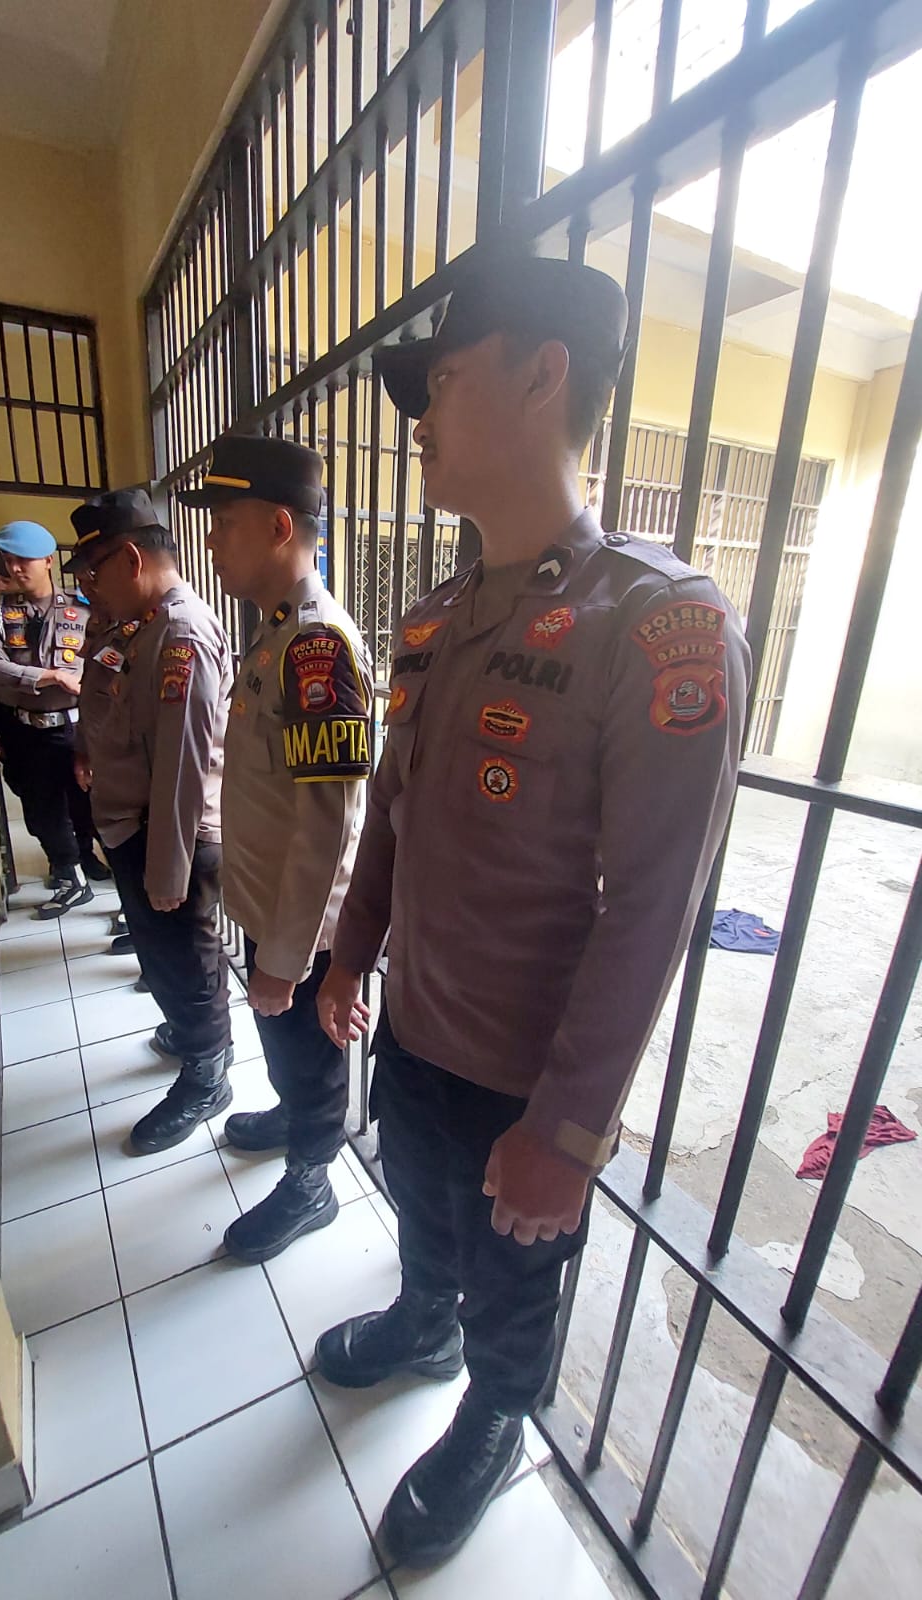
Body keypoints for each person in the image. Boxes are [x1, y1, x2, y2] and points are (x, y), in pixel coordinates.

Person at [314, 246, 751, 1569]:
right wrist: (349, 955)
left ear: (541, 374)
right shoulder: (438, 619)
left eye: (441, 381)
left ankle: (497, 1413)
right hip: (417, 1031)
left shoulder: (655, 625)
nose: (419, 419)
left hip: (525, 1071)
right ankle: (421, 1323)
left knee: (513, 1277)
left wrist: (568, 1128)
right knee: (423, 1212)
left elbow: (654, 910)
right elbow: (393, 810)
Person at [178, 435, 373, 1263]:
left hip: (306, 926)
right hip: (268, 908)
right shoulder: (274, 637)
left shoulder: (318, 648)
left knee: (307, 1052)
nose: (212, 539)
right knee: (283, 1045)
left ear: (278, 526)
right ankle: (294, 1116)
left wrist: (287, 959)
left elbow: (328, 828)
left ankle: (312, 1178)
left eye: (225, 521)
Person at [67, 488, 234, 1153]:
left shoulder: (180, 635)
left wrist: (168, 868)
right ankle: (192, 1034)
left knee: (186, 961)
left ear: (131, 560)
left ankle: (209, 1072)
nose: (88, 586)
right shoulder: (134, 622)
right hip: (132, 827)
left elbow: (184, 766)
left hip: (170, 836)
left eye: (94, 571)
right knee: (161, 956)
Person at [0, 520, 109, 917]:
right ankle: (68, 874)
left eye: (25, 560)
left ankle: (85, 860)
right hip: (26, 729)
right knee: (41, 809)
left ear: (48, 561)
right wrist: (49, 676)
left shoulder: (83, 608)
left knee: (88, 801)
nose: (16, 568)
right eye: (9, 560)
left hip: (76, 726)